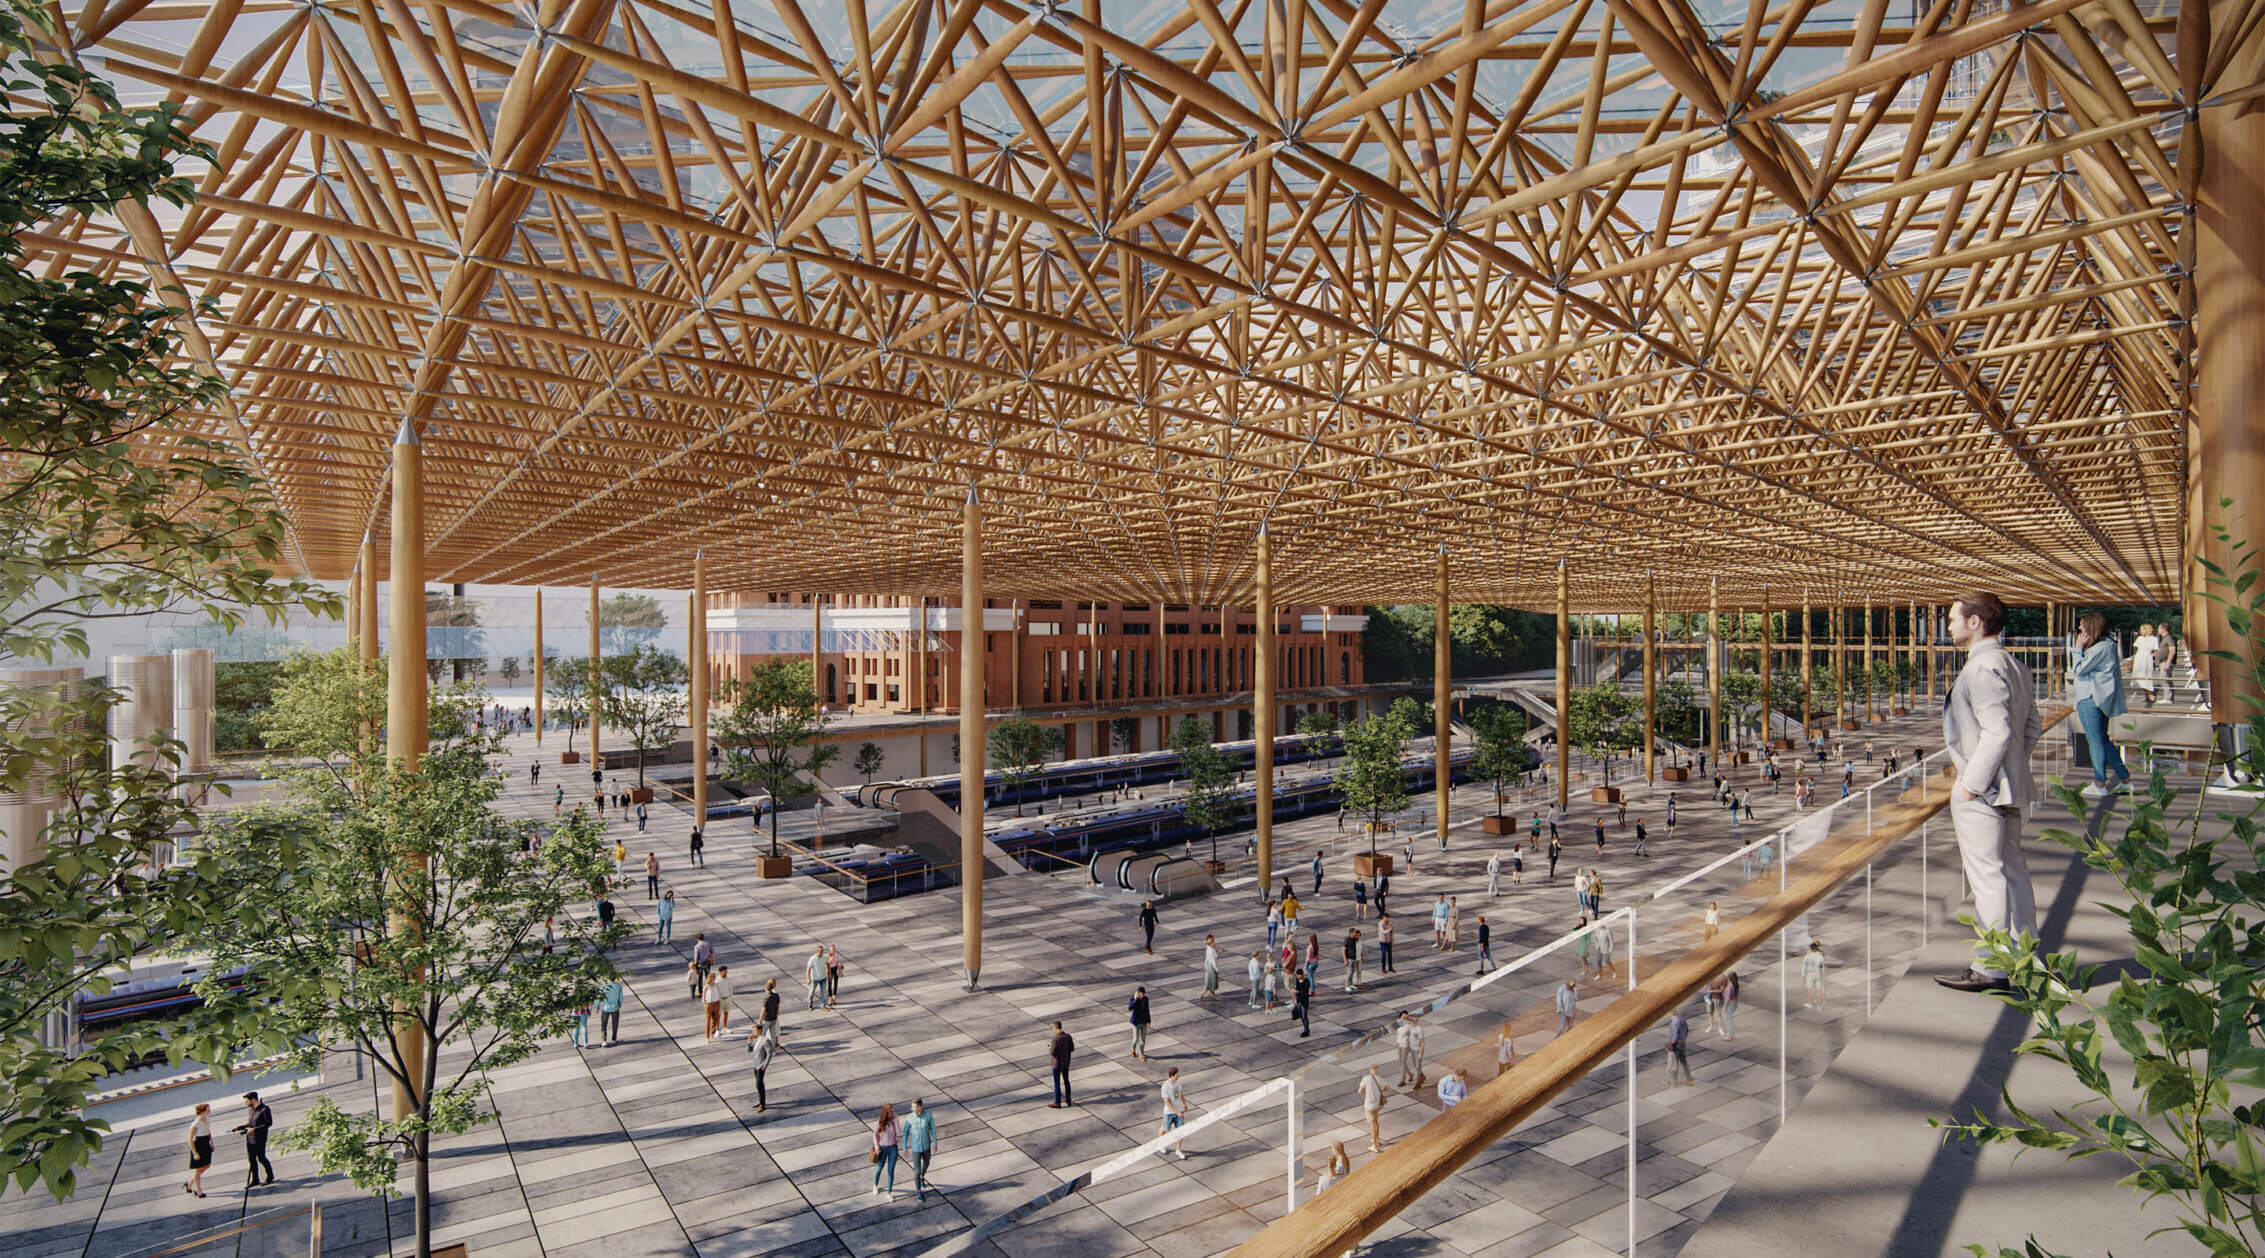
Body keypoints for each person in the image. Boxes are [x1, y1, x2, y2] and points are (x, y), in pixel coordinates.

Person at [1939, 592, 2043, 994]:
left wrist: (1971, 784)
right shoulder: (2016, 666)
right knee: (2013, 871)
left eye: (1953, 619)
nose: (1949, 625)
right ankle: (2024, 957)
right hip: (2009, 786)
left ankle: (1991, 967)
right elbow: (2031, 727)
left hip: (1983, 791)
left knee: (1987, 877)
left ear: (1975, 622)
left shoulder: (1982, 668)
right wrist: (2013, 766)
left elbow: (1997, 731)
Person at [2068, 611, 2132, 797]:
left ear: (2091, 628)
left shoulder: (2099, 649)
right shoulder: (2108, 645)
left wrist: (2077, 648)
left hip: (2090, 697)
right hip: (2101, 698)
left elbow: (2078, 670)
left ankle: (2100, 783)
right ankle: (2125, 779)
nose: (2079, 630)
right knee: (2103, 740)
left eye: (2082, 627)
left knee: (2095, 741)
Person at [232, 1092, 274, 1187]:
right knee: (252, 1160)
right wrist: (239, 1128)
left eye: (247, 1101)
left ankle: (270, 1177)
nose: (245, 1103)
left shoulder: (264, 1109)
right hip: (250, 1138)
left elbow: (268, 1124)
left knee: (261, 1158)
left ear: (253, 1100)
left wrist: (254, 1129)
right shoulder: (251, 1110)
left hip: (260, 1138)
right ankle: (255, 1179)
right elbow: (250, 1124)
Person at [901, 1098, 938, 1199]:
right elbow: (905, 1133)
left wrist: (935, 1142)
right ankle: (918, 1191)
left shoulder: (928, 1115)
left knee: (927, 1163)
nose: (912, 1109)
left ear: (920, 1107)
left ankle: (922, 1176)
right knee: (917, 1170)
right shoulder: (910, 1118)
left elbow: (933, 1128)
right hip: (916, 1148)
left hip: (926, 1146)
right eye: (912, 1107)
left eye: (914, 1107)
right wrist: (904, 1147)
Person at [871, 1103, 900, 1197]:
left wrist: (896, 1120)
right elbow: (875, 1135)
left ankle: (889, 1192)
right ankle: (875, 1185)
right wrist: (877, 1146)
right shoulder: (879, 1123)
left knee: (891, 1171)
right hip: (882, 1148)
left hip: (893, 1148)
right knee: (879, 1167)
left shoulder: (893, 1122)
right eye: (889, 1112)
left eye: (892, 1111)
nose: (891, 1113)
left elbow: (899, 1132)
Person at [184, 1102, 213, 1197]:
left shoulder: (207, 1119)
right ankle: (198, 1191)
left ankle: (189, 1183)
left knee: (207, 1165)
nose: (210, 1110)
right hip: (198, 1146)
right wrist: (195, 1153)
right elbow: (190, 1139)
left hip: (206, 1144)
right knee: (198, 1170)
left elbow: (208, 1131)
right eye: (208, 1109)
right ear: (202, 1111)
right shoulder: (195, 1124)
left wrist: (211, 1142)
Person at [1159, 1067, 1189, 1159]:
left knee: (1181, 1130)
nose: (1178, 1076)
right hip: (1169, 1112)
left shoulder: (1178, 1084)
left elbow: (1181, 1094)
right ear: (1172, 1075)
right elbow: (1167, 1102)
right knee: (1165, 1129)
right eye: (1177, 1075)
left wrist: (1184, 1104)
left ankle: (1178, 1150)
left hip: (1179, 1111)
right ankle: (1160, 1145)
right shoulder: (1165, 1086)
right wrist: (1176, 1112)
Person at [747, 1022, 777, 1112]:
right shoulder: (756, 1040)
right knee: (759, 1085)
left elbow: (769, 1053)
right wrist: (749, 1042)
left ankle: (762, 1104)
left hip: (761, 1066)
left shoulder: (765, 1040)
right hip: (755, 1065)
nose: (753, 1032)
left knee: (759, 1084)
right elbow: (749, 1050)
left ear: (759, 1030)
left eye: (754, 1030)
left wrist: (765, 1065)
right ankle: (761, 1101)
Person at [2131, 621, 2160, 705]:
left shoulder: (2154, 639)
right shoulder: (2140, 638)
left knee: (2146, 676)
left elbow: (2156, 651)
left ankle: (2150, 694)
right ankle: (2146, 695)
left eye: (2142, 629)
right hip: (2139, 658)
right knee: (2138, 676)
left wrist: (2151, 655)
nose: (2140, 631)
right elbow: (2137, 648)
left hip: (2147, 658)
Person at [1359, 1064, 1386, 1153]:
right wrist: (1379, 1091)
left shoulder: (1366, 1078)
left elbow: (1360, 1091)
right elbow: (1387, 1087)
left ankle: (1374, 1146)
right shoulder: (1379, 1078)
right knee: (1376, 1122)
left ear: (1370, 1069)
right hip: (1377, 1104)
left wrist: (1368, 1092)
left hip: (1369, 1105)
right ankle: (1377, 1140)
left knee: (1372, 1125)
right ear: (1377, 1070)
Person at [1048, 1020, 1075, 1107]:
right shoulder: (1068, 1036)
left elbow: (1052, 1052)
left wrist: (1050, 1047)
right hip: (1066, 1063)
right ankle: (1068, 1099)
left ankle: (1057, 1102)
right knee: (1066, 1081)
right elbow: (1072, 1048)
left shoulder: (1055, 1039)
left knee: (1057, 1083)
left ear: (1055, 1028)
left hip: (1057, 1064)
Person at [1665, 1005, 1694, 1085]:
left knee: (1675, 1063)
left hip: (1676, 1045)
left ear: (1669, 1013)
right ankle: (1689, 1079)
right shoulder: (1682, 1019)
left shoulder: (1673, 1023)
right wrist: (1684, 1040)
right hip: (1682, 1043)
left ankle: (1675, 1082)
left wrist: (1669, 1045)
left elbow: (1674, 1037)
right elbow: (1687, 1030)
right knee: (1684, 1062)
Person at [1393, 1013, 1419, 1088]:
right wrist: (1396, 1043)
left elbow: (1416, 1021)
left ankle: (1403, 1080)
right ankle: (1410, 1074)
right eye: (1402, 1016)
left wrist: (1408, 1018)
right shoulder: (1399, 1025)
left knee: (1403, 1062)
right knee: (1401, 1062)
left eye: (1405, 1016)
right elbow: (1398, 1035)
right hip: (1399, 1044)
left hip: (1406, 1044)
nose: (1403, 1018)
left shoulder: (1409, 1025)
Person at [598, 975, 625, 1046]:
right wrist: (619, 1004)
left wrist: (597, 1006)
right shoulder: (618, 986)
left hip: (605, 1007)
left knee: (604, 1024)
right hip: (615, 1007)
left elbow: (599, 996)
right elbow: (621, 997)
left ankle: (604, 1040)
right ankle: (614, 1038)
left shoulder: (604, 986)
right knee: (615, 1023)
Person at [1128, 985, 1152, 1061]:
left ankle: (1141, 1054)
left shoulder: (1145, 999)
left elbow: (1147, 1010)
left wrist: (1148, 1021)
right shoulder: (1133, 999)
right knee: (1135, 1039)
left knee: (1143, 1039)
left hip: (1143, 1021)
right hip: (1135, 1022)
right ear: (1137, 993)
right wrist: (1136, 999)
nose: (1142, 996)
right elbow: (1130, 1008)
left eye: (1143, 994)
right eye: (1140, 994)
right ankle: (1133, 1049)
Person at [1803, 940, 1828, 1009]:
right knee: (1819, 989)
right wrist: (1823, 974)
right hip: (1818, 973)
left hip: (1810, 973)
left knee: (1810, 988)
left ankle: (1810, 1003)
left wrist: (1803, 974)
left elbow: (1804, 966)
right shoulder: (1821, 956)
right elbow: (1822, 966)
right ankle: (1819, 1005)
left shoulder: (1807, 956)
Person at [1291, 966, 1312, 1037]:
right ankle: (1305, 1028)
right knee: (1298, 1013)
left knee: (1304, 1016)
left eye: (1299, 975)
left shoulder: (1306, 981)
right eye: (1297, 975)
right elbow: (1296, 989)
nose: (1298, 977)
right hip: (1299, 1000)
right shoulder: (1297, 980)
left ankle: (1306, 1030)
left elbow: (1304, 992)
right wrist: (1295, 999)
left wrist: (1296, 991)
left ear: (1302, 975)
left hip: (1304, 1001)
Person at [759, 978, 781, 1044]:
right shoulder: (776, 995)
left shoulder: (766, 998)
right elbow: (778, 1006)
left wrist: (760, 1020)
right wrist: (777, 1013)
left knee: (763, 1033)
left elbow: (763, 1010)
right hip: (774, 1017)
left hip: (767, 1019)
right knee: (773, 1033)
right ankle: (774, 1046)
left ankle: (761, 1046)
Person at [805, 944, 827, 1009]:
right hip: (814, 978)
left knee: (823, 992)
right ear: (817, 951)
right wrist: (808, 979)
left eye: (822, 951)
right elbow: (808, 969)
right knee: (812, 991)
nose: (822, 952)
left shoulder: (824, 957)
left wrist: (829, 973)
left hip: (823, 977)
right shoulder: (812, 959)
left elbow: (827, 964)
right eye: (820, 951)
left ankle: (822, 1005)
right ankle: (810, 1004)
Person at [826, 943, 844, 1008]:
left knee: (835, 983)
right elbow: (827, 964)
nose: (832, 951)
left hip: (835, 968)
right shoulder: (828, 956)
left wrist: (840, 969)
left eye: (833, 949)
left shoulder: (836, 955)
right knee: (829, 984)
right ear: (829, 950)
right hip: (830, 969)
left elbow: (837, 962)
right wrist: (831, 958)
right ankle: (830, 998)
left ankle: (834, 997)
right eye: (831, 949)